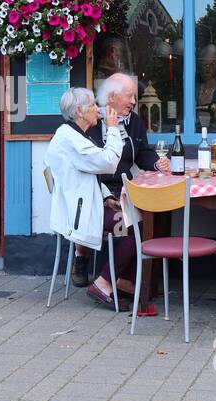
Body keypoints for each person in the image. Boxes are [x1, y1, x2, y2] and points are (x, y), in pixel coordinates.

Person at [45, 87, 147, 313]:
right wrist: (113, 128)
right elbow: (109, 162)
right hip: (79, 214)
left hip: (85, 205)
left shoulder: (72, 135)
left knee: (131, 219)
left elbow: (85, 175)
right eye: (92, 105)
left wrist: (107, 197)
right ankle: (104, 283)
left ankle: (119, 280)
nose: (96, 109)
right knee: (132, 225)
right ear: (80, 111)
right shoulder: (70, 138)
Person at [78, 72, 171, 294]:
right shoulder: (90, 122)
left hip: (124, 191)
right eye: (129, 96)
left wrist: (158, 164)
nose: (133, 101)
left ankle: (124, 279)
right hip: (94, 195)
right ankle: (104, 280)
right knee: (131, 225)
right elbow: (81, 169)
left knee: (149, 218)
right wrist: (106, 196)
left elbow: (142, 153)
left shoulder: (134, 121)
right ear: (111, 97)